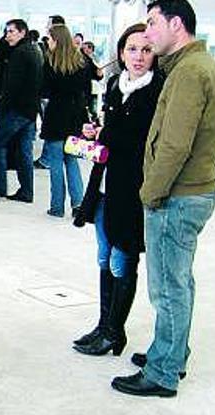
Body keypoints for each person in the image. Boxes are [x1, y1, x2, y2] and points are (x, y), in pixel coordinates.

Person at [112, 0, 215, 398]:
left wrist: (151, 191)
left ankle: (163, 372)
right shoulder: (197, 67)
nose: (147, 32)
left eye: (152, 22)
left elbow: (175, 145)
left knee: (168, 288)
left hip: (177, 196)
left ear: (175, 24)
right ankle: (171, 353)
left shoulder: (190, 72)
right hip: (191, 191)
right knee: (179, 282)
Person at [71, 23, 164, 357]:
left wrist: (107, 136)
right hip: (106, 185)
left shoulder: (158, 90)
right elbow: (112, 131)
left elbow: (146, 144)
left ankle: (114, 332)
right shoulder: (114, 84)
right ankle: (103, 325)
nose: (138, 56)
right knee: (103, 258)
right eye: (131, 49)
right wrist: (95, 131)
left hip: (134, 188)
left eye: (146, 49)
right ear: (121, 53)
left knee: (122, 260)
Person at [0, 19, 42, 202]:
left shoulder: (20, 53)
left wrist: (3, 103)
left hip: (17, 110)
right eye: (7, 32)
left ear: (22, 32)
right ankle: (26, 191)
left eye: (11, 32)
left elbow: (12, 85)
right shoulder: (33, 50)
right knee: (24, 151)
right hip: (30, 110)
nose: (7, 35)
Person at [41, 24, 89, 218]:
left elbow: (45, 90)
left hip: (55, 116)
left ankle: (57, 207)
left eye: (50, 39)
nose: (48, 42)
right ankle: (78, 204)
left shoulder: (50, 63)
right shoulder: (81, 62)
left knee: (55, 163)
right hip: (75, 117)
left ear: (57, 40)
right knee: (71, 161)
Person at [82, 41, 104, 123]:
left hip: (92, 89)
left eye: (88, 48)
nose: (85, 50)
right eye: (83, 48)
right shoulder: (82, 60)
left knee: (93, 111)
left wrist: (100, 73)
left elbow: (98, 76)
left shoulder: (94, 60)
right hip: (84, 89)